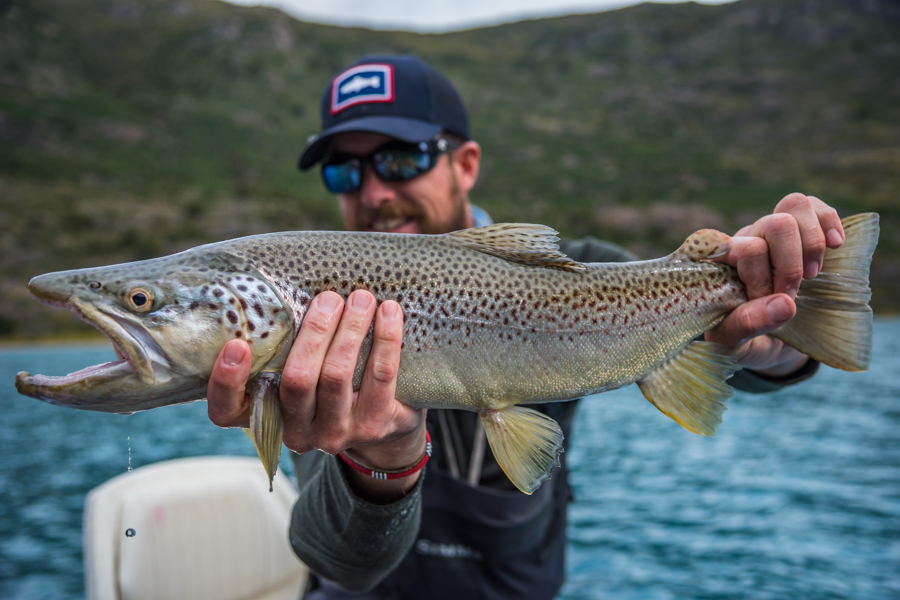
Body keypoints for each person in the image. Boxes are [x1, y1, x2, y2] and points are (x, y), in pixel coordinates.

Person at [205, 54, 839, 598]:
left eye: (401, 159)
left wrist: (767, 331)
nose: (372, 193)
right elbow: (340, 561)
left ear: (467, 164)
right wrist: (381, 463)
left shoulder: (582, 273)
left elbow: (766, 361)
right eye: (344, 171)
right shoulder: (318, 311)